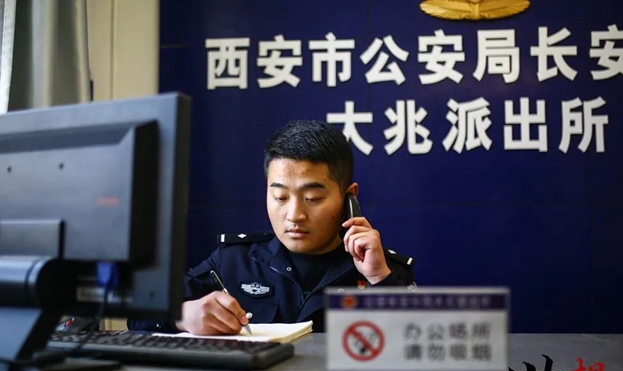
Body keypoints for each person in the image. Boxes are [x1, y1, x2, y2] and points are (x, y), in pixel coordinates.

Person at [128, 120, 414, 334]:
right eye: (280, 197)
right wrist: (181, 315)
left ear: (349, 197)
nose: (294, 215)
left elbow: (420, 345)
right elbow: (139, 315)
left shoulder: (382, 269)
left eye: (312, 198)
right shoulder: (233, 262)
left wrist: (380, 280)